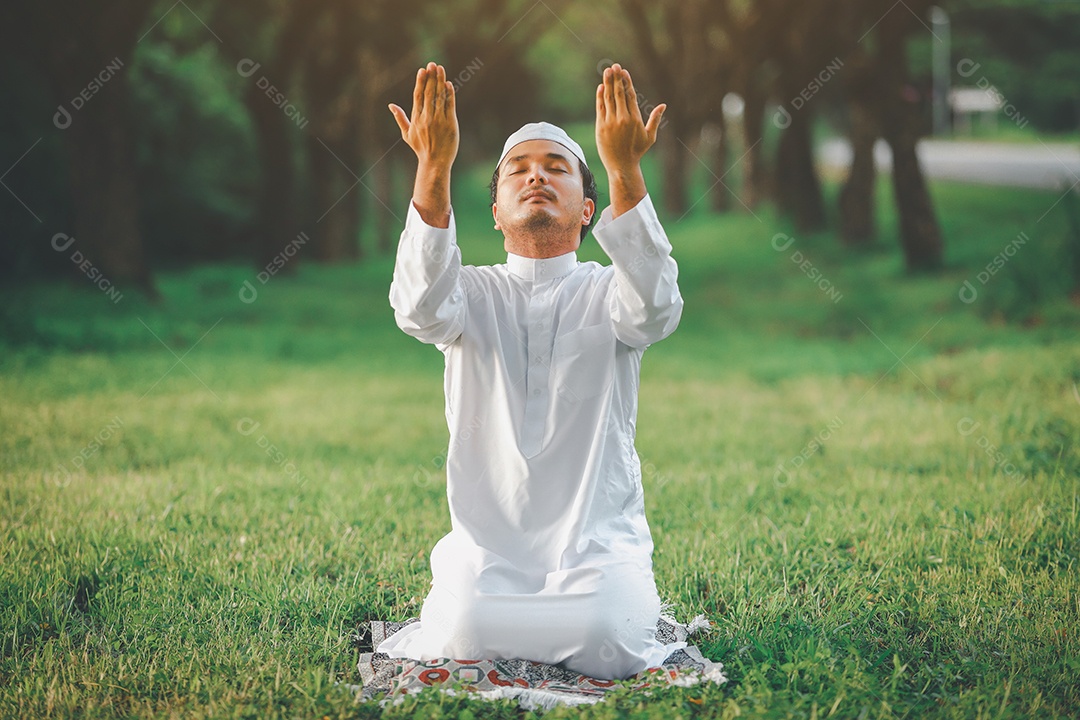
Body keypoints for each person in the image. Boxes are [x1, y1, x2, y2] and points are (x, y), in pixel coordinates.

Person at [378, 61, 684, 680]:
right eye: (517, 168)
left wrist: (625, 169)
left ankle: (590, 613)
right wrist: (432, 166)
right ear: (494, 211)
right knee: (464, 633)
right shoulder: (468, 294)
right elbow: (417, 308)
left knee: (606, 637)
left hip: (597, 555)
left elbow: (656, 308)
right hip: (489, 559)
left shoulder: (610, 292)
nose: (536, 175)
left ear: (589, 208)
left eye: (556, 167)